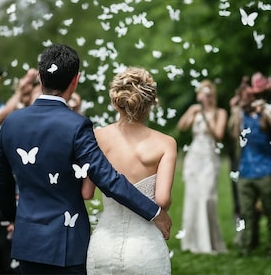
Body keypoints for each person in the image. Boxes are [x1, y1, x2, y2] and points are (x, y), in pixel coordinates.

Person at [0, 44, 172, 275]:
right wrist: (154, 212)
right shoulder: (77, 126)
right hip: (67, 244)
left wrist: (10, 217)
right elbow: (106, 178)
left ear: (39, 77)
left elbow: (0, 181)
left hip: (28, 240)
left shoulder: (11, 122)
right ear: (75, 80)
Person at [86, 67, 177, 274]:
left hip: (103, 245)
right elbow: (162, 200)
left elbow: (87, 192)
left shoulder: (96, 137)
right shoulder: (166, 143)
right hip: (144, 248)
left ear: (115, 102)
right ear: (151, 102)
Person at [177, 79, 227, 254]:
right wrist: (192, 112)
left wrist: (206, 115)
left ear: (211, 96)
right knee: (192, 197)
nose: (203, 98)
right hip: (194, 156)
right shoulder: (195, 110)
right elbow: (181, 127)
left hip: (209, 156)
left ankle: (209, 243)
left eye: (206, 94)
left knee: (207, 197)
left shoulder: (220, 112)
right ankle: (191, 242)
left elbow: (219, 134)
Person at [233, 72, 271, 257]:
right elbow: (233, 133)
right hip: (245, 171)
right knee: (246, 213)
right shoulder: (239, 115)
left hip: (266, 170)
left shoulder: (267, 112)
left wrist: (264, 112)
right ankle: (247, 248)